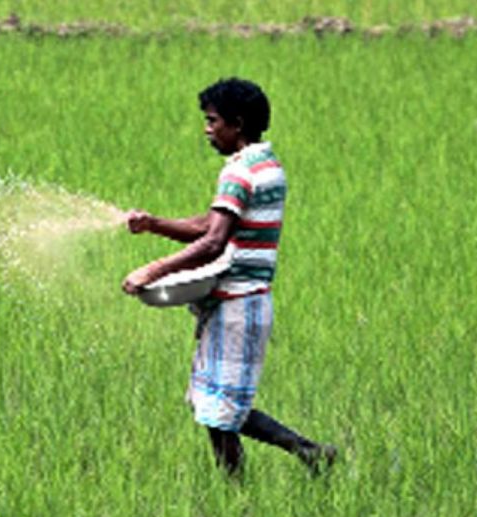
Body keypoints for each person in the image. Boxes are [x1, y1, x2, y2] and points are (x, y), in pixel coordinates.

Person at [122, 77, 336, 477]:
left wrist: (152, 270)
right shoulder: (265, 164)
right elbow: (212, 222)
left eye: (212, 121)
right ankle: (302, 459)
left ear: (237, 124)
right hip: (239, 303)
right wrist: (154, 224)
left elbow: (214, 241)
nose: (206, 130)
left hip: (239, 305)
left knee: (221, 412)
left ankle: (265, 481)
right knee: (213, 406)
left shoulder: (239, 172)